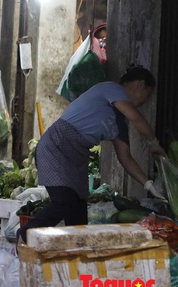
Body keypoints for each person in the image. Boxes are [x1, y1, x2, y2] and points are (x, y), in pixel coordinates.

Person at [17, 65, 167, 244]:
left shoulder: (121, 124)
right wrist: (154, 143)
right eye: (147, 96)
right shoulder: (111, 88)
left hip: (77, 158)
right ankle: (25, 234)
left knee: (78, 216)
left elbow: (125, 158)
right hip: (57, 146)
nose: (144, 102)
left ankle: (77, 259)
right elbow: (136, 117)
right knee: (64, 202)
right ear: (139, 85)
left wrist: (148, 184)